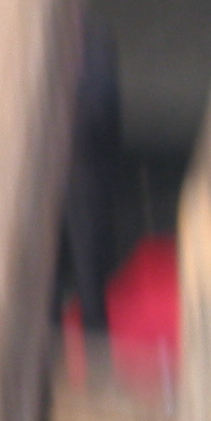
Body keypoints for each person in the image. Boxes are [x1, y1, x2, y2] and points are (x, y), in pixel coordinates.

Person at [61, 24, 122, 334]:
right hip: (72, 172)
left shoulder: (93, 44)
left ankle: (96, 347)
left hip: (83, 173)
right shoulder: (94, 44)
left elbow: (102, 117)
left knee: (89, 275)